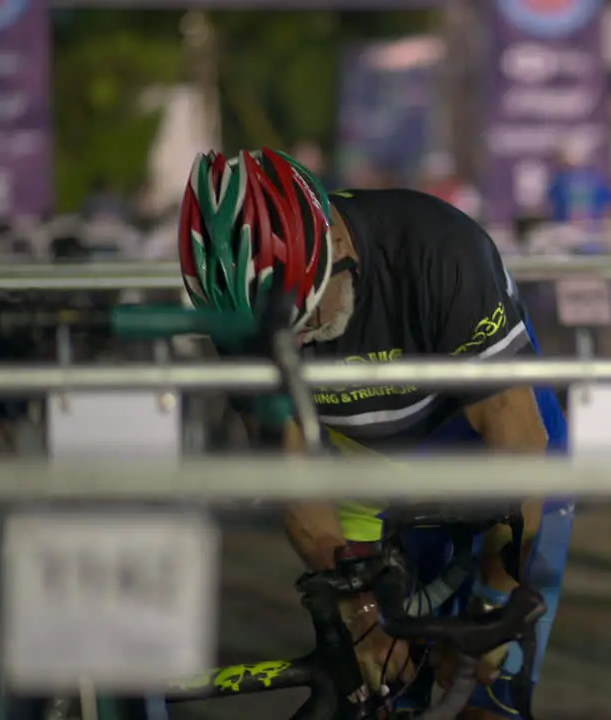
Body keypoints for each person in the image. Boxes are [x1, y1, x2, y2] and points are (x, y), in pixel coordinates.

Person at [177, 148, 571, 720]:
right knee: (382, 693)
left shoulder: (438, 249)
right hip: (368, 477)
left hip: (491, 455)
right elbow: (295, 480)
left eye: (309, 316)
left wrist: (491, 605)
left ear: (337, 246)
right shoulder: (241, 307)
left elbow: (518, 447)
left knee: (487, 698)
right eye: (281, 334)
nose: (302, 342)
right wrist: (362, 616)